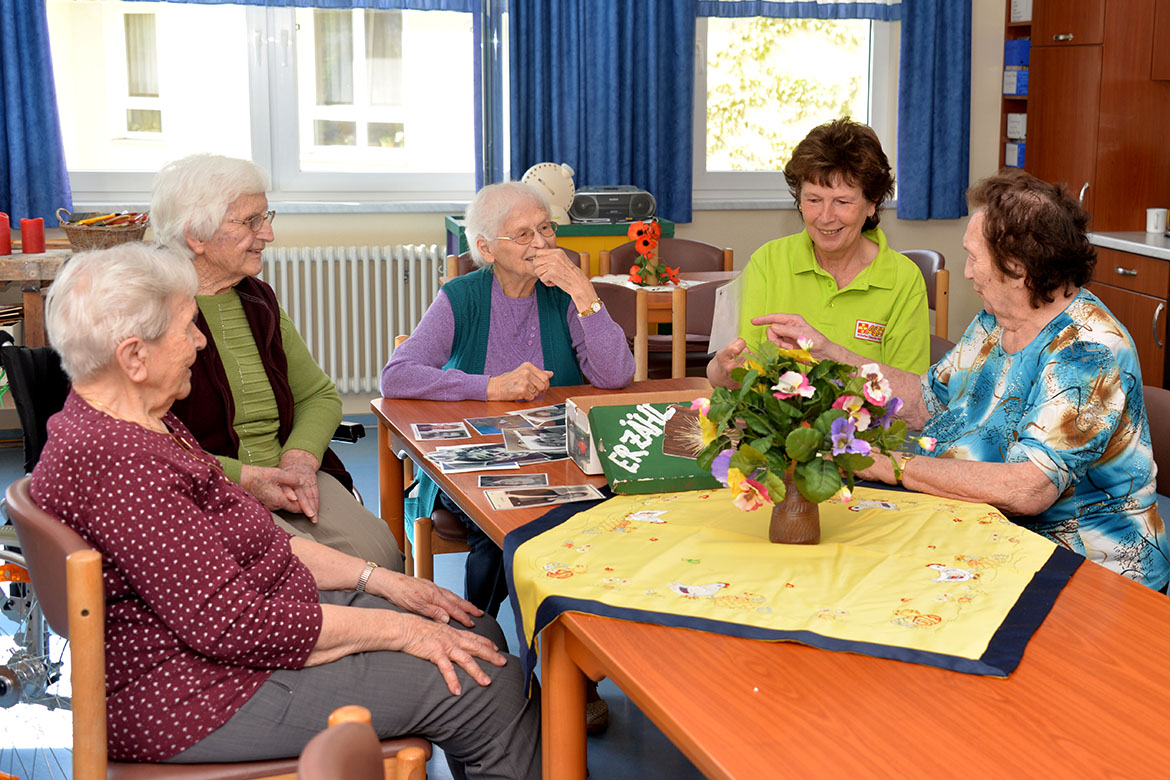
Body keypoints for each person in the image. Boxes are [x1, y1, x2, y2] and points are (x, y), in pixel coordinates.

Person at [30, 244, 540, 776]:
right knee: (488, 683)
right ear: (133, 356)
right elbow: (239, 627)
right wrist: (405, 632)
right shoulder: (122, 466)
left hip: (234, 642)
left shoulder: (138, 421)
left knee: (472, 628)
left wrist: (383, 582)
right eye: (187, 328)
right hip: (196, 695)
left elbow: (266, 543)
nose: (201, 342)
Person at [758, 169, 1170, 591]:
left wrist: (895, 466)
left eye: (975, 258)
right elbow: (923, 401)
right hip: (988, 530)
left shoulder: (1087, 351)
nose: (968, 272)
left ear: (1018, 267)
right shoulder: (995, 320)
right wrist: (828, 352)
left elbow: (1029, 488)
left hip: (1084, 568)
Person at [382, 181, 635, 618]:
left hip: (562, 459)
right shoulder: (462, 297)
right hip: (476, 463)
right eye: (523, 235)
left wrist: (585, 294)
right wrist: (490, 387)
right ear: (486, 247)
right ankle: (478, 633)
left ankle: (571, 652)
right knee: (501, 531)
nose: (540, 244)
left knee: (610, 518)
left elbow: (615, 376)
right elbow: (397, 376)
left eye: (546, 229)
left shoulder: (564, 293)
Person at [151, 154, 400, 572]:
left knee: (383, 554)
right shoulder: (149, 309)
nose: (267, 233)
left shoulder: (256, 298)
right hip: (207, 490)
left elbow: (318, 395)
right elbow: (145, 442)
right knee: (322, 580)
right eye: (249, 221)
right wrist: (246, 477)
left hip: (290, 475)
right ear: (196, 234)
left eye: (265, 217)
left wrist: (299, 459)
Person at [709, 118, 930, 385]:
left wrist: (831, 355)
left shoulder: (903, 280)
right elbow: (742, 372)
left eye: (842, 202)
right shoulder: (768, 262)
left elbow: (912, 392)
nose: (825, 217)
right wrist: (723, 370)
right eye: (813, 200)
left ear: (872, 203)